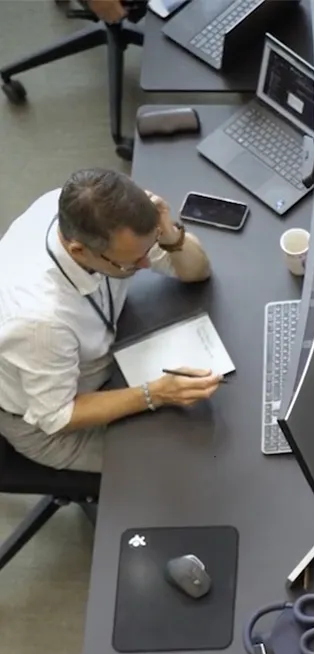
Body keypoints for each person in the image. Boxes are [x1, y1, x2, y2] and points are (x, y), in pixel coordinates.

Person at [0, 168, 222, 473]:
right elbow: (56, 416)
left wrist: (168, 234)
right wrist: (155, 393)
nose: (146, 263)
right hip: (54, 420)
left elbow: (197, 272)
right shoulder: (40, 322)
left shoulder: (95, 221)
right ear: (78, 250)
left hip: (101, 354)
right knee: (184, 462)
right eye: (132, 262)